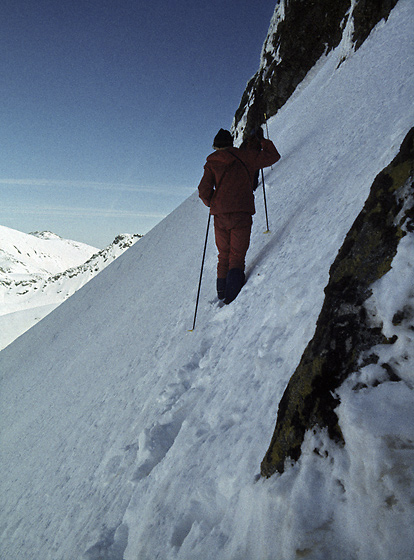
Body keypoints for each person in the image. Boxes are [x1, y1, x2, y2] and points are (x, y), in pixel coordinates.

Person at [198, 127, 280, 304]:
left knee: (223, 254)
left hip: (220, 215)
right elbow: (273, 156)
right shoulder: (245, 156)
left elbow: (203, 191)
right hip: (241, 213)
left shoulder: (211, 163)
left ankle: (221, 293)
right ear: (230, 143)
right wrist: (262, 141)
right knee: (237, 256)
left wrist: (213, 202)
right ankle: (231, 300)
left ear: (216, 146)